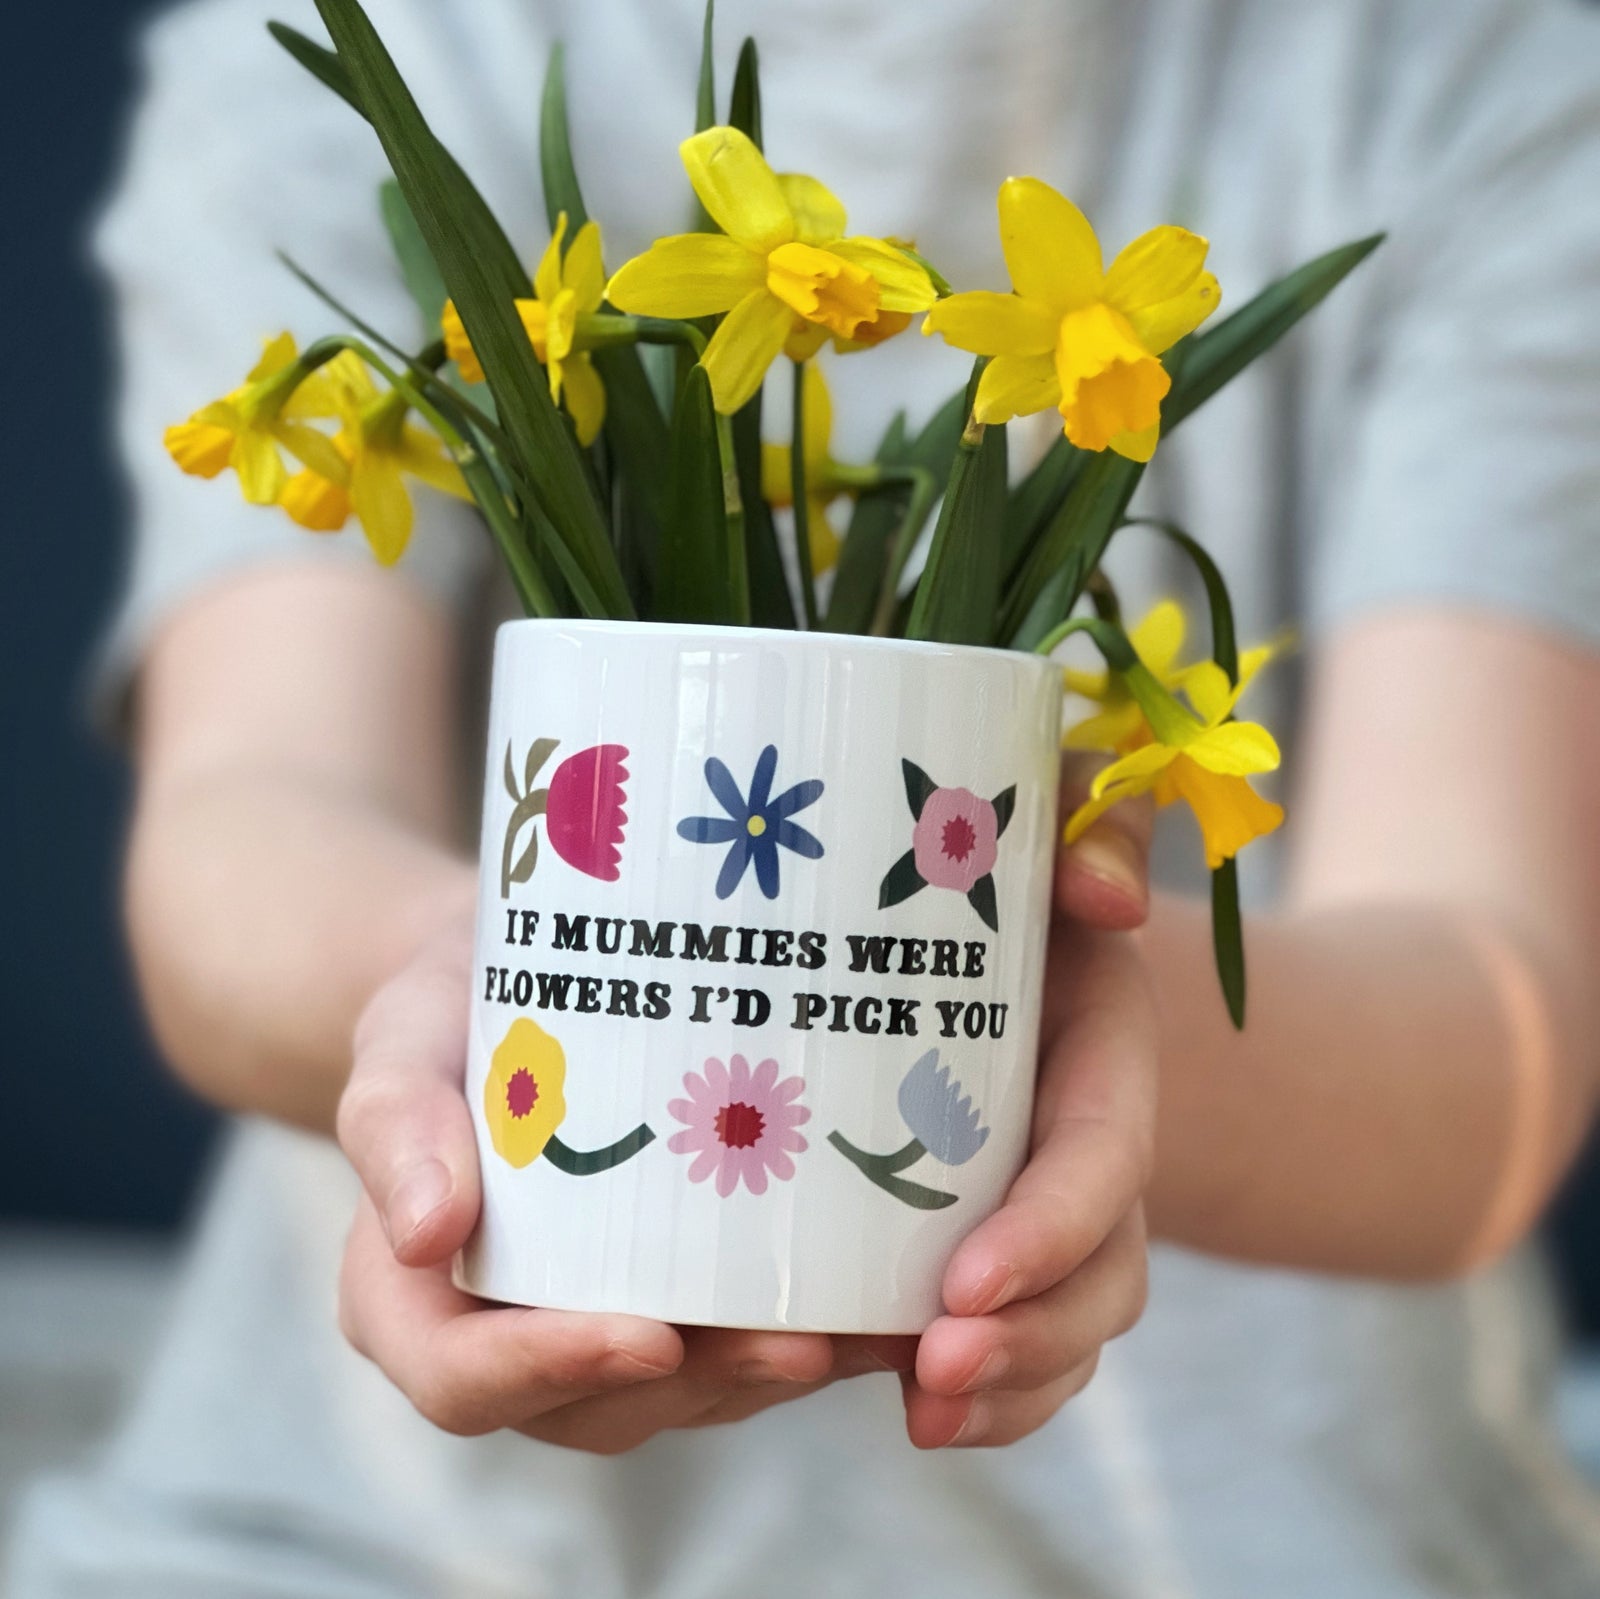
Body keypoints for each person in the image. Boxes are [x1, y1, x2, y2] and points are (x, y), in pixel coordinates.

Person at [11, 0, 1600, 1593]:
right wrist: (498, 974)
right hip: (356, 1539)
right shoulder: (392, 40)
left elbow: (1491, 1050)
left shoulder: (1480, 66)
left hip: (1270, 1549)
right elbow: (245, 823)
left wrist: (1044, 1012)